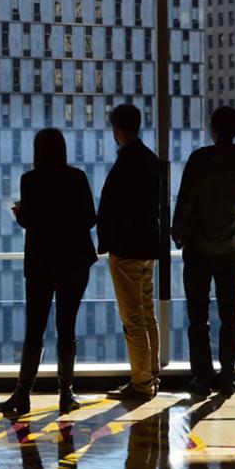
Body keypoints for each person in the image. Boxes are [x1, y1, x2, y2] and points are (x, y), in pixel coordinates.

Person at [0, 128, 97, 416]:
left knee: (35, 329)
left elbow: (29, 220)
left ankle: (22, 394)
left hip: (42, 262)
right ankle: (66, 394)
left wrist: (20, 213)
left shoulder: (30, 180)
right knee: (67, 328)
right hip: (75, 262)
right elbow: (90, 218)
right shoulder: (77, 178)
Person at [172, 107, 235, 398]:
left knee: (198, 316)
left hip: (198, 247)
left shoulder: (201, 159)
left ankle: (203, 376)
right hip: (230, 246)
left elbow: (185, 198)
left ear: (212, 128)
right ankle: (228, 375)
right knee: (229, 314)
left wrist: (177, 232)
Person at [97, 103, 163, 401]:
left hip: (125, 248)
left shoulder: (124, 163)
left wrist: (105, 240)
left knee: (132, 317)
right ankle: (151, 373)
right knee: (147, 312)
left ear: (118, 130)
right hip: (148, 246)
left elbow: (110, 206)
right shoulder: (151, 160)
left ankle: (141, 381)